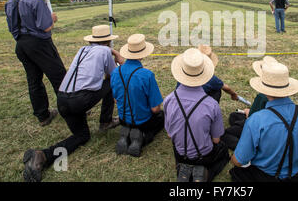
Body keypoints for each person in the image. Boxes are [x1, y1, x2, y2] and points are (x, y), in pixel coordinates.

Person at [22, 25, 123, 182]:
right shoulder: (104, 51)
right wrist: (117, 55)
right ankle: (106, 121)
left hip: (62, 99)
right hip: (79, 101)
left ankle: (42, 156)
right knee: (110, 83)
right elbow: (114, 75)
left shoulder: (82, 50)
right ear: (108, 42)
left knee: (82, 136)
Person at [229, 61, 298, 182]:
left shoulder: (256, 120)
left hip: (261, 175)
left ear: (264, 88)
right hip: (293, 177)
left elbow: (238, 161)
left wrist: (233, 158)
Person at [5, 0, 66, 126]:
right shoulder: (36, 2)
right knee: (59, 76)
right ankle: (69, 110)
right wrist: (52, 19)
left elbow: (12, 27)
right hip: (40, 44)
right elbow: (46, 27)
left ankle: (43, 115)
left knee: (34, 80)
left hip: (21, 45)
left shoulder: (10, 3)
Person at [164, 48, 229, 182]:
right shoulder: (212, 104)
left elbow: (170, 134)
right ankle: (204, 173)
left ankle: (184, 170)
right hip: (204, 154)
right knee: (223, 150)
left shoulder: (169, 100)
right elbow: (216, 140)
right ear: (205, 73)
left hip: (180, 154)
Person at [111, 34, 164, 157]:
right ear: (143, 53)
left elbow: (115, 100)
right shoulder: (147, 75)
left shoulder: (115, 72)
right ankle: (143, 137)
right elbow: (155, 109)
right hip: (142, 121)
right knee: (161, 116)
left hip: (123, 119)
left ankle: (127, 133)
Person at [221, 56, 278, 150]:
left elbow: (252, 119)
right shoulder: (284, 95)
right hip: (273, 128)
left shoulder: (262, 96)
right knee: (234, 116)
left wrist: (248, 112)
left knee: (225, 134)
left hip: (260, 129)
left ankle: (245, 149)